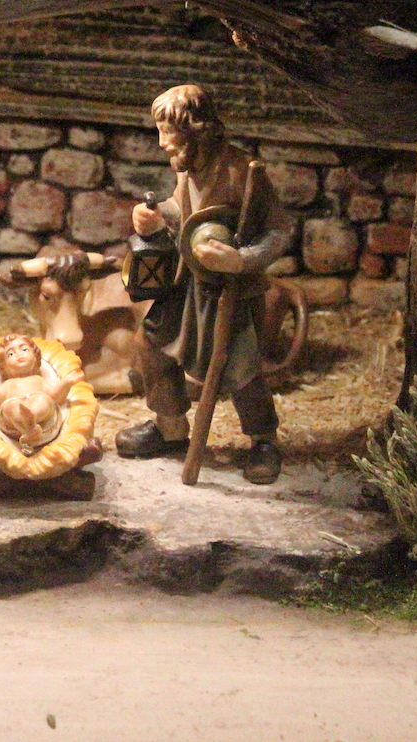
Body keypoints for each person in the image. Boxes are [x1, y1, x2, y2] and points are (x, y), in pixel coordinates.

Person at [115, 84, 293, 484]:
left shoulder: (243, 171)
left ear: (193, 129)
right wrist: (157, 216)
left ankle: (263, 439)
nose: (162, 143)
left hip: (228, 289)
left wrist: (241, 260)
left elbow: (279, 229)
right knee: (153, 342)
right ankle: (170, 427)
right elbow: (185, 211)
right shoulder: (188, 166)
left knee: (240, 363)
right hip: (187, 280)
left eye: (167, 132)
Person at [0, 334, 83, 454]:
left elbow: (55, 397)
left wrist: (66, 383)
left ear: (35, 357)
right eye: (11, 354)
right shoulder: (9, 384)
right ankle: (27, 426)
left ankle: (31, 419)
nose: (19, 355)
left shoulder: (39, 380)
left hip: (41, 418)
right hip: (14, 421)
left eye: (24, 349)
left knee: (43, 399)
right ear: (4, 366)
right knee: (9, 405)